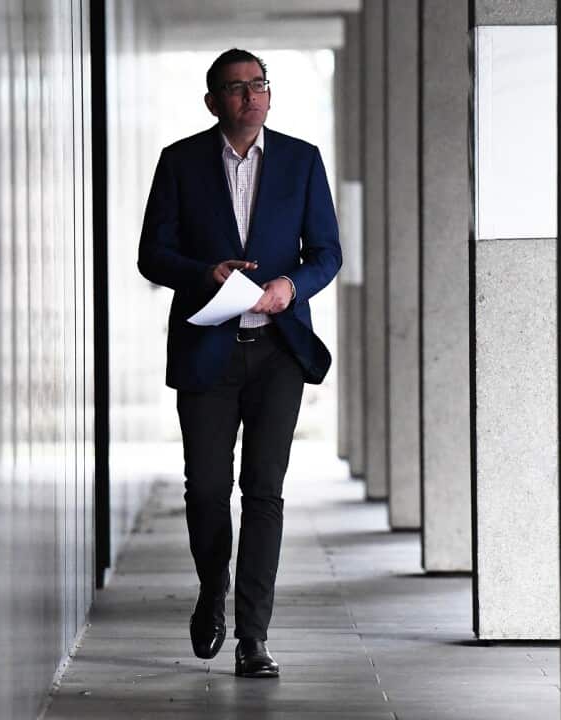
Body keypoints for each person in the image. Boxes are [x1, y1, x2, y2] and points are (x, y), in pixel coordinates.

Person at [137, 48, 341, 679]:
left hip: (277, 350)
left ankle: (254, 636)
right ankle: (210, 589)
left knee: (264, 493)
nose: (251, 96)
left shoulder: (303, 160)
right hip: (209, 349)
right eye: (236, 87)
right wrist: (206, 273)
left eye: (259, 85)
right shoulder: (180, 162)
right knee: (205, 489)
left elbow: (327, 251)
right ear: (212, 101)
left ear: (269, 95)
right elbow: (152, 254)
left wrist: (292, 287)